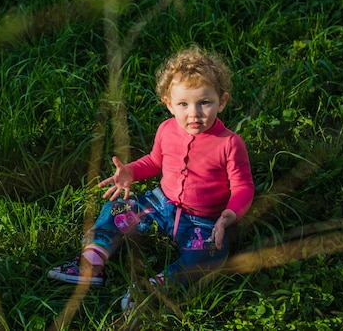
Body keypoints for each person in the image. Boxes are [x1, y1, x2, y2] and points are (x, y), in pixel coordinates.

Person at [47, 45, 255, 309]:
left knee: (213, 253)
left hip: (204, 220)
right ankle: (92, 263)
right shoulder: (167, 129)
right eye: (183, 104)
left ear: (222, 101)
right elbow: (155, 161)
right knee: (116, 208)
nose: (194, 113)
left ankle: (157, 286)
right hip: (161, 204)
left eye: (204, 102)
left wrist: (229, 215)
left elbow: (243, 186)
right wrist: (131, 171)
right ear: (168, 104)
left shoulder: (229, 143)